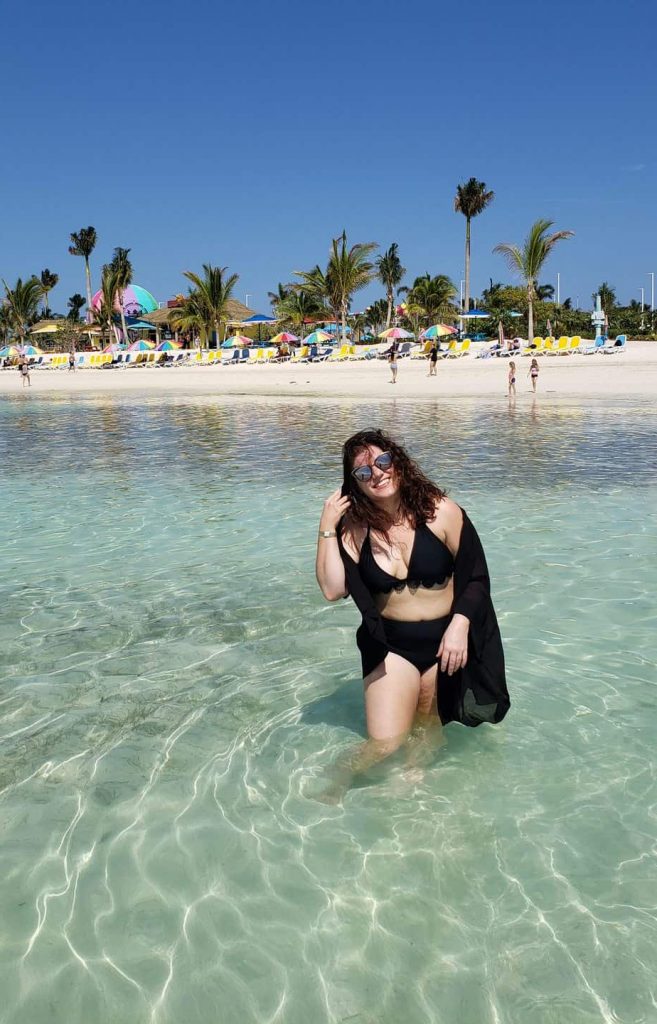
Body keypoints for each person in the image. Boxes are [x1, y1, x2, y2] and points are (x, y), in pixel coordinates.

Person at [315, 429, 509, 792]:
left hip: (448, 646)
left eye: (383, 462)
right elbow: (332, 589)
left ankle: (414, 786)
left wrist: (460, 625)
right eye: (363, 472)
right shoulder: (354, 529)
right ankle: (335, 783)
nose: (377, 474)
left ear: (398, 463)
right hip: (392, 648)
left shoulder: (441, 512)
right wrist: (327, 526)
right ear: (353, 483)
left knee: (429, 735)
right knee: (383, 745)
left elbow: (477, 578)